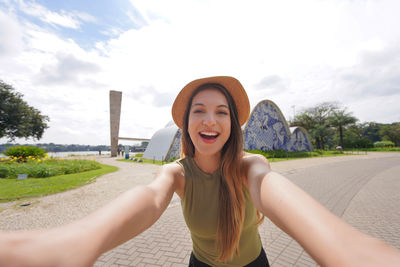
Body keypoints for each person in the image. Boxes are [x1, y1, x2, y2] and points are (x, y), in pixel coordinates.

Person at [0, 76, 399, 267]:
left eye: (221, 112)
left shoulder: (251, 166)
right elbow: (149, 198)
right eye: (200, 111)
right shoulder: (175, 173)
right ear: (188, 124)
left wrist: (349, 251)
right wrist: (76, 241)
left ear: (232, 125)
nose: (210, 121)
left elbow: (278, 195)